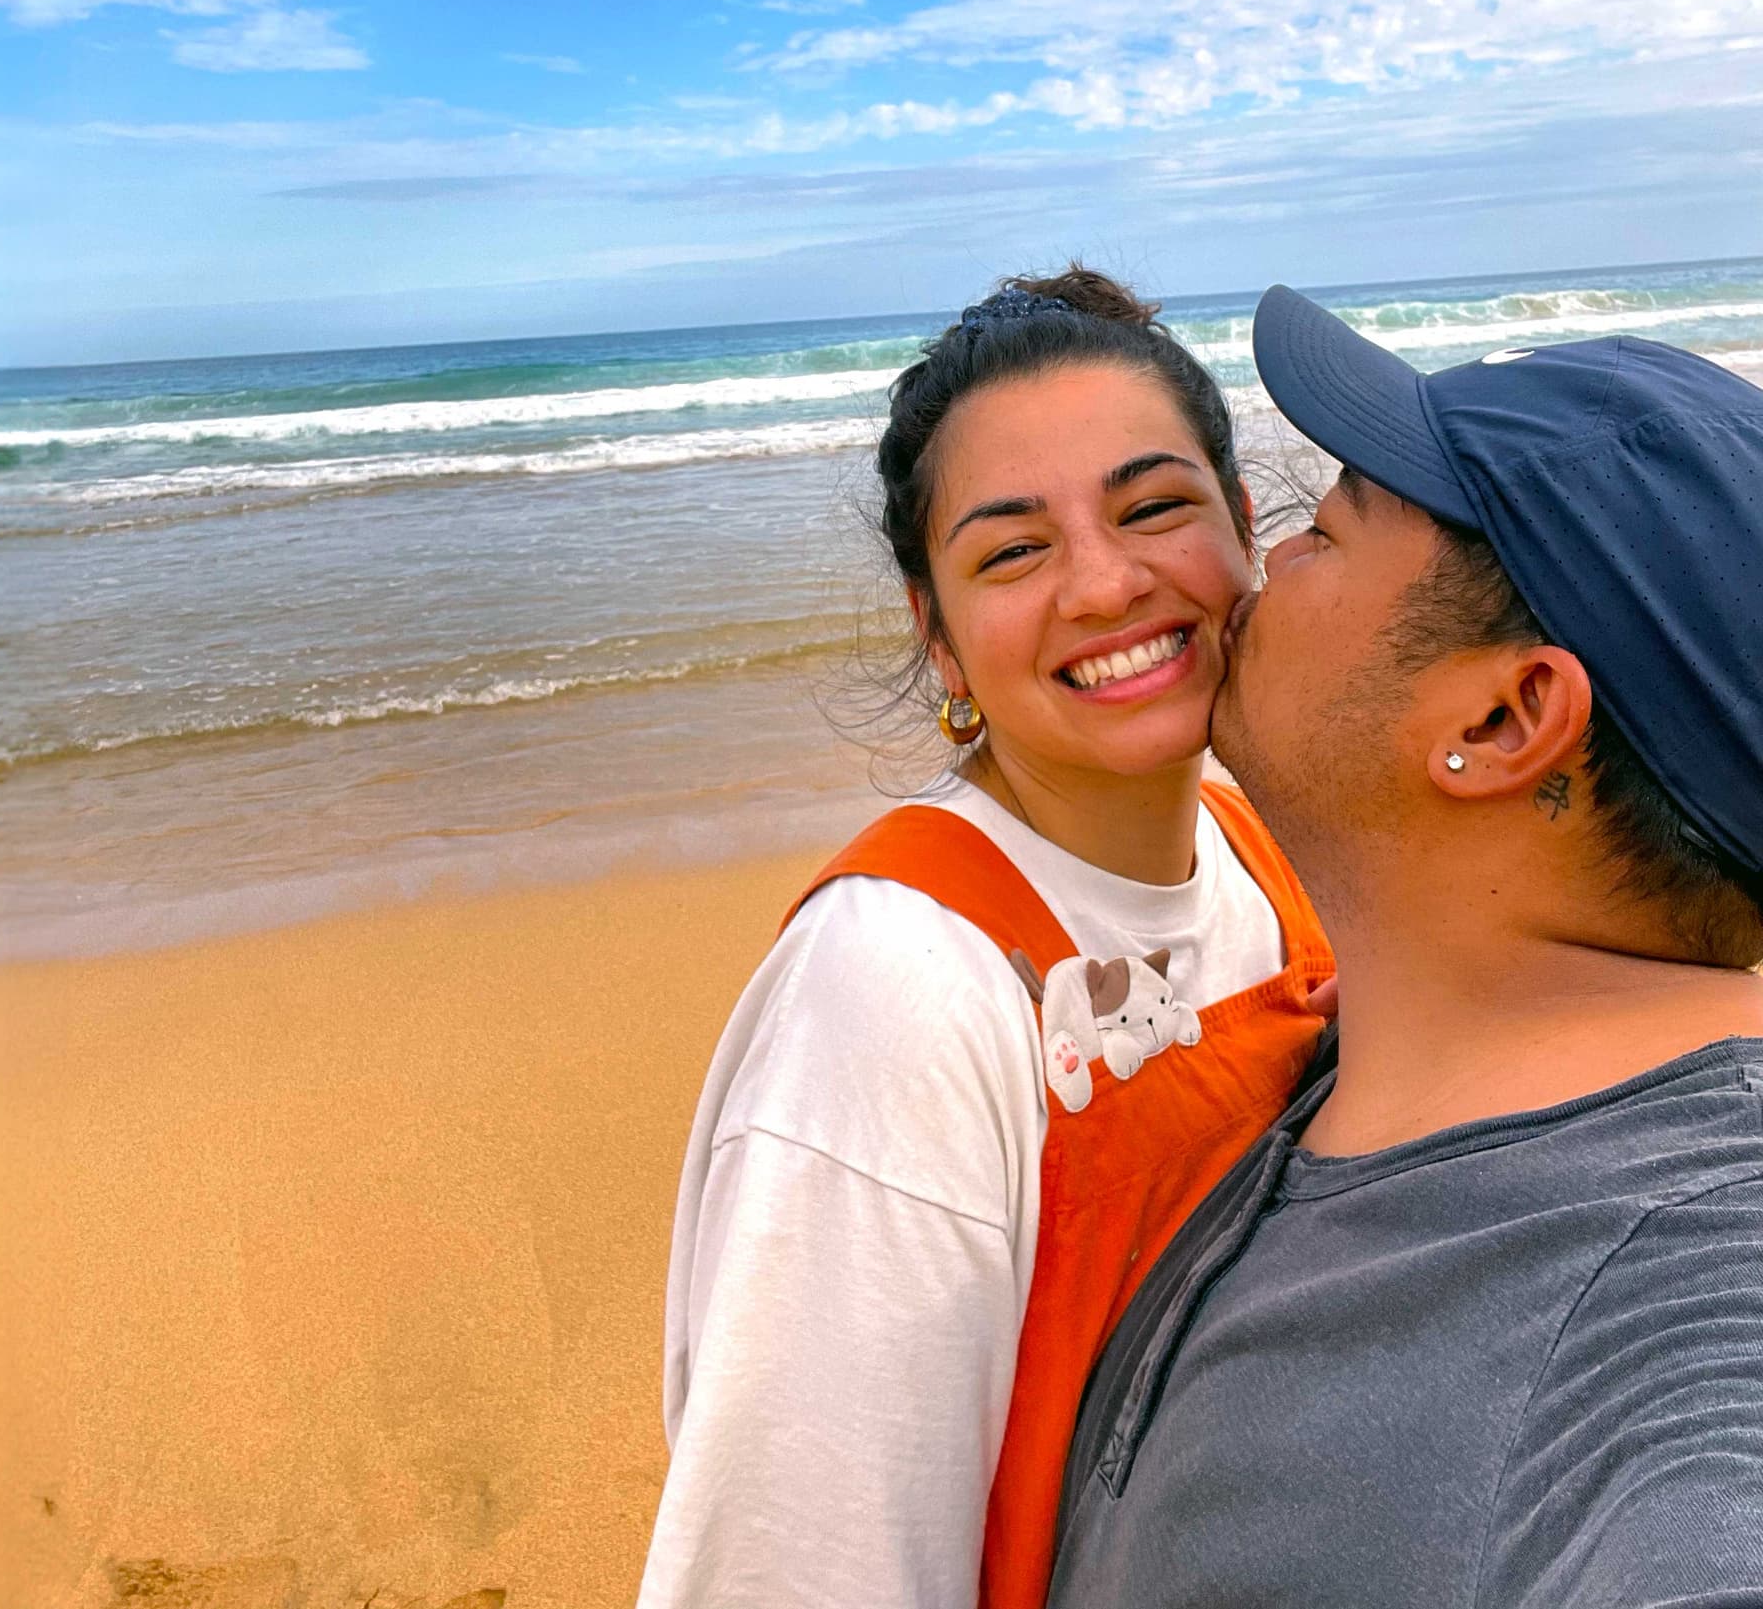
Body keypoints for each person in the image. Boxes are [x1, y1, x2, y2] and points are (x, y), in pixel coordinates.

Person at [1045, 290, 1763, 1607]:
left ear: (1505, 717)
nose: (1260, 561)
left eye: (1326, 528)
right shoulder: (1387, 1038)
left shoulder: (1673, 1310)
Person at [640, 269, 1333, 1609]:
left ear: (1244, 528)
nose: (1106, 581)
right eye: (1013, 551)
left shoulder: (1271, 850)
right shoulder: (896, 989)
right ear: (938, 637)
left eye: (1154, 507)